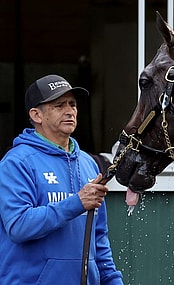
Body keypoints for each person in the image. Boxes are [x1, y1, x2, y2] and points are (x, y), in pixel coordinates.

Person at [0, 74, 124, 284]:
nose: (69, 111)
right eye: (59, 105)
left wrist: (112, 280)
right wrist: (76, 203)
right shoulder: (16, 162)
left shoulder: (88, 163)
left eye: (72, 104)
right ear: (36, 115)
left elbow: (98, 237)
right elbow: (18, 226)